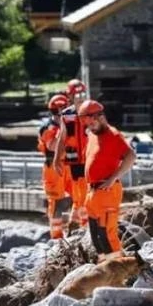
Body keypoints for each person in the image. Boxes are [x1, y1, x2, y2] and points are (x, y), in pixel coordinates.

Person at [78, 99, 136, 259]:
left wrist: (113, 178)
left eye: (92, 123)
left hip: (107, 192)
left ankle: (118, 268)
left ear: (101, 117)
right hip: (92, 193)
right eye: (88, 125)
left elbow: (131, 156)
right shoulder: (92, 135)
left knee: (107, 236)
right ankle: (104, 267)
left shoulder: (113, 135)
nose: (90, 127)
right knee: (96, 237)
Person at [53, 79, 90, 230]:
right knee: (78, 197)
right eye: (77, 95)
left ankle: (85, 225)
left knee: (89, 195)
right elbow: (61, 139)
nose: (80, 98)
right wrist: (56, 159)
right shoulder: (67, 115)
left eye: (82, 94)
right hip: (74, 163)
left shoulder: (92, 111)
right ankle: (78, 226)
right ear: (70, 96)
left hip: (90, 161)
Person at [38, 94, 71, 238]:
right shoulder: (48, 128)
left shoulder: (70, 124)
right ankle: (56, 236)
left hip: (69, 165)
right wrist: (64, 131)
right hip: (53, 167)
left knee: (78, 197)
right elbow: (51, 146)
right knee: (56, 202)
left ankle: (76, 228)